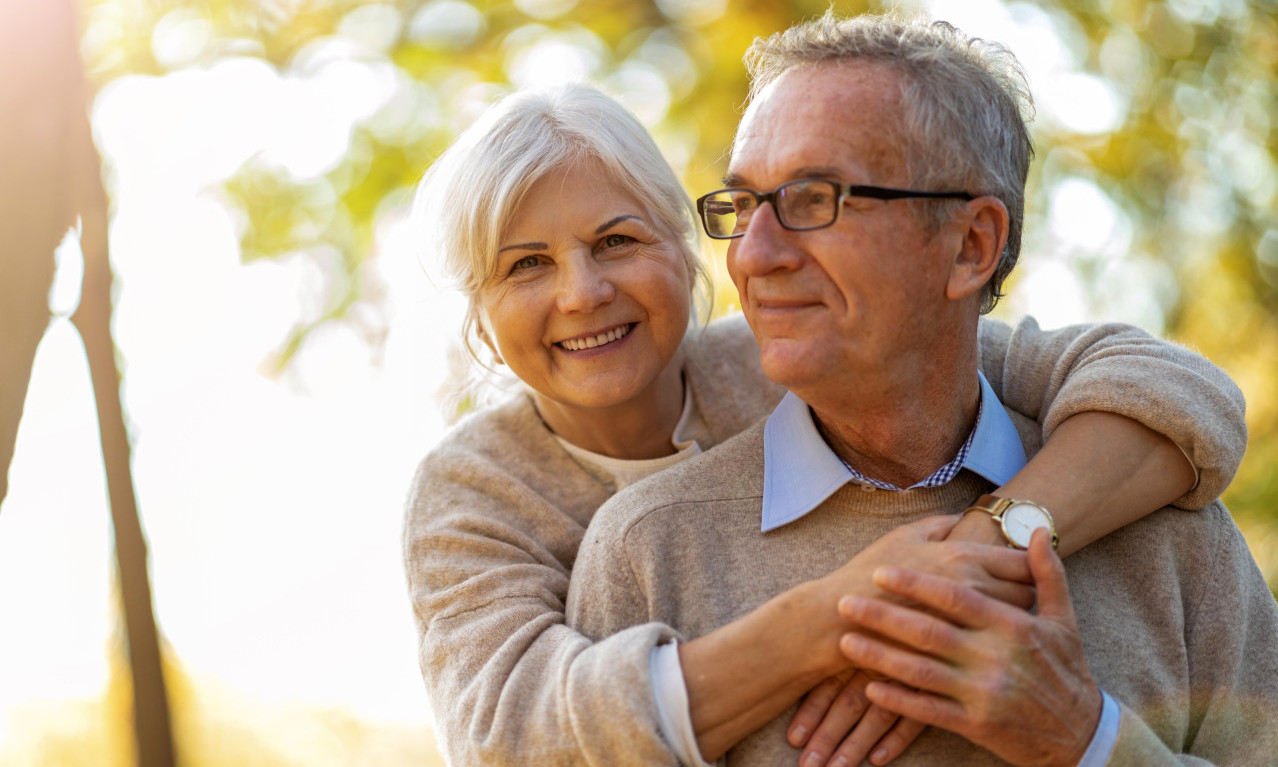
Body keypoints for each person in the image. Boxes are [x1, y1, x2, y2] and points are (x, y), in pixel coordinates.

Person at [402, 82, 1250, 767]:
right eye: (526, 265)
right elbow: (510, 737)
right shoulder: (477, 493)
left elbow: (1169, 388)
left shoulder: (793, 351)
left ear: (684, 249)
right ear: (481, 312)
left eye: (617, 242)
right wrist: (845, 615)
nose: (583, 292)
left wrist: (985, 548)